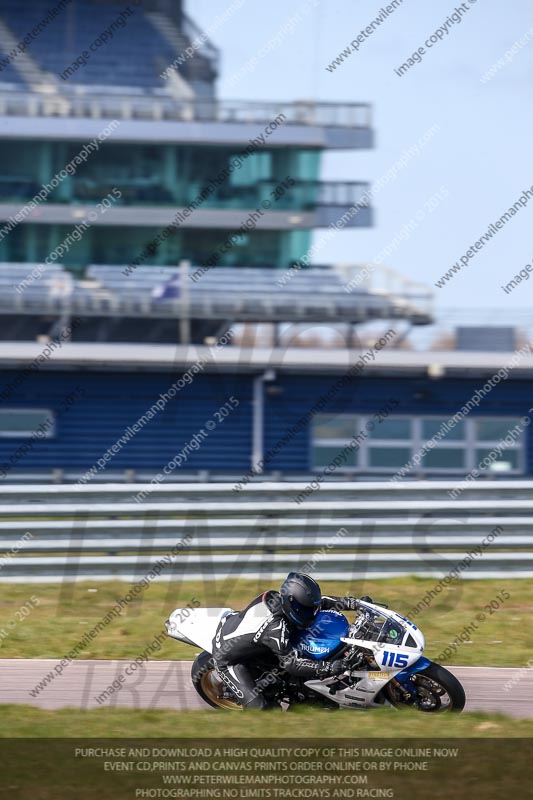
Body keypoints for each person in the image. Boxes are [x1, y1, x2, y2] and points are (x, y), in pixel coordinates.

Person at [212, 571, 372, 710]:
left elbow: (320, 602)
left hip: (248, 636)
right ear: (293, 607)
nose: (314, 612)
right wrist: (331, 668)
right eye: (308, 609)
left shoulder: (287, 601)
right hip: (227, 659)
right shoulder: (275, 629)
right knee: (262, 710)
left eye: (312, 607)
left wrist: (354, 603)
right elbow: (292, 665)